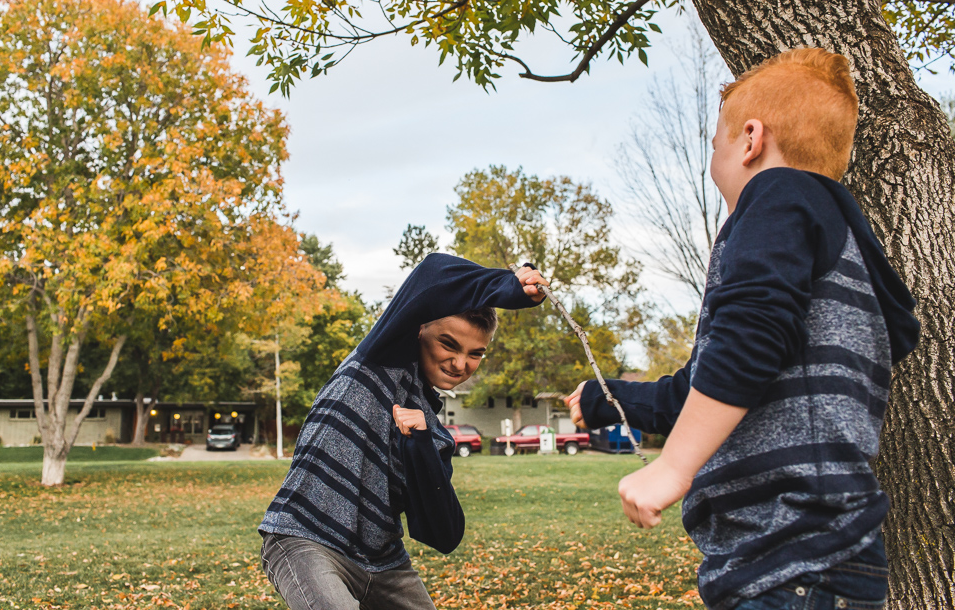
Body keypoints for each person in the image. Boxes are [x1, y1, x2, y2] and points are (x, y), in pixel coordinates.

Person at [566, 48, 920, 610]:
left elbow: (751, 336)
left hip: (793, 556)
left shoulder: (777, 193)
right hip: (803, 561)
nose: (714, 160)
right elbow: (708, 386)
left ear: (751, 139)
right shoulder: (828, 247)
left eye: (715, 145)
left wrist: (675, 466)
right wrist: (607, 399)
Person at [259, 253, 548, 610]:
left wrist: (421, 445)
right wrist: (507, 285)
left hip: (384, 566)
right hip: (307, 538)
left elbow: (445, 534)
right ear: (419, 329)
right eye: (449, 344)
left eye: (476, 354)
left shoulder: (436, 434)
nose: (461, 364)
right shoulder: (381, 359)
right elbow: (431, 272)